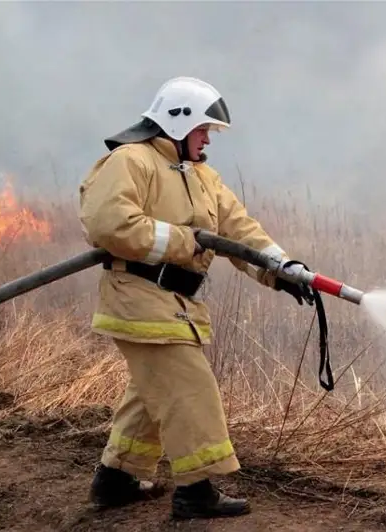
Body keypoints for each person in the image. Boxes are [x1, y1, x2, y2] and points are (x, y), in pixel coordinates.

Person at [78, 76, 314, 520]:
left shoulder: (202, 176)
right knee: (189, 388)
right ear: (176, 122)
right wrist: (187, 241)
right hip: (137, 298)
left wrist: (281, 268)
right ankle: (195, 491)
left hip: (175, 303)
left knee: (153, 392)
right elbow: (110, 224)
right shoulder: (131, 161)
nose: (208, 140)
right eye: (204, 130)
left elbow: (238, 231)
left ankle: (116, 478)